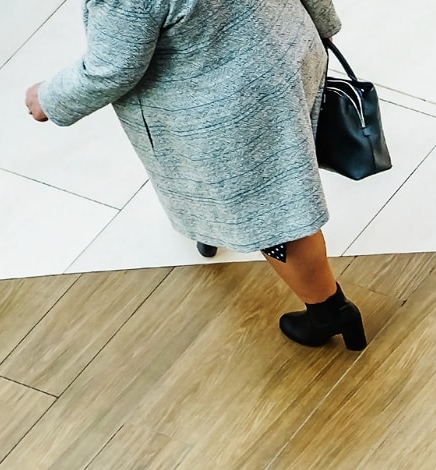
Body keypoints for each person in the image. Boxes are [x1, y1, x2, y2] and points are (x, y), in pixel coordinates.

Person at [25, 0, 365, 351]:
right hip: (287, 44)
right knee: (270, 170)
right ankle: (215, 225)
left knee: (275, 215)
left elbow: (111, 69)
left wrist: (49, 98)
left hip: (230, 105)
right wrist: (322, 25)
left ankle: (329, 309)